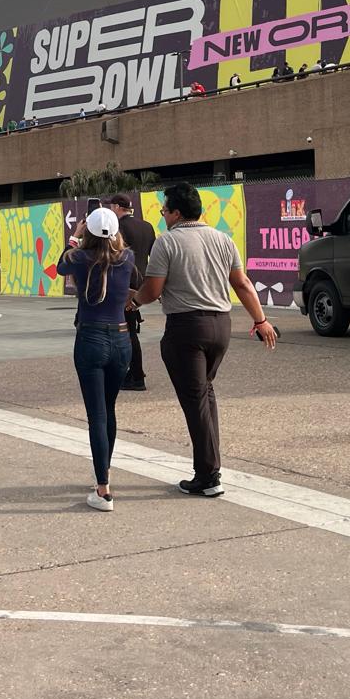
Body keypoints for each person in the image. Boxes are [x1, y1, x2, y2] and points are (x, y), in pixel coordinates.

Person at [130, 183, 277, 497]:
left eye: (164, 209)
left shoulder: (167, 242)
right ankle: (210, 468)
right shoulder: (223, 239)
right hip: (221, 327)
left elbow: (153, 290)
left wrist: (134, 301)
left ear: (176, 213)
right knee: (205, 395)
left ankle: (208, 476)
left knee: (195, 402)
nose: (161, 213)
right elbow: (242, 283)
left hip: (186, 328)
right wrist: (260, 320)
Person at [60, 207, 134, 511]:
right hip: (121, 338)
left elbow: (60, 267)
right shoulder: (126, 258)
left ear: (87, 231)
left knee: (97, 415)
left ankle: (103, 490)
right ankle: (105, 471)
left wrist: (74, 237)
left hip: (90, 338)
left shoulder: (78, 257)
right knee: (109, 409)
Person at [105, 195, 155, 392]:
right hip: (141, 283)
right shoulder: (147, 226)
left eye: (111, 206)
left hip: (122, 284)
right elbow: (154, 254)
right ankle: (134, 372)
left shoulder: (117, 228)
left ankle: (135, 375)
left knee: (127, 333)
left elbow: (113, 256)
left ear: (117, 207)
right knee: (129, 329)